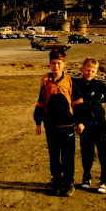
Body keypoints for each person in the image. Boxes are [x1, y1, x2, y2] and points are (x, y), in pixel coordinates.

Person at [33, 49, 85, 197]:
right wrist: (38, 123)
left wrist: (80, 122)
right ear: (50, 64)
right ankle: (56, 181)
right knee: (54, 155)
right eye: (53, 63)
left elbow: (78, 103)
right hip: (51, 125)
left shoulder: (70, 81)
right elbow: (41, 103)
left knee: (68, 156)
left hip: (67, 125)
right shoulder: (46, 82)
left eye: (58, 63)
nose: (56, 66)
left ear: (64, 64)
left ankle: (69, 182)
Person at [73, 57, 106, 194]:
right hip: (85, 125)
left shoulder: (101, 86)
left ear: (96, 72)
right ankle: (86, 177)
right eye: (88, 70)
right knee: (87, 153)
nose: (90, 73)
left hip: (99, 124)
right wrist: (78, 122)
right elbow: (74, 106)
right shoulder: (76, 85)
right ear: (82, 70)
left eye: (93, 71)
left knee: (103, 153)